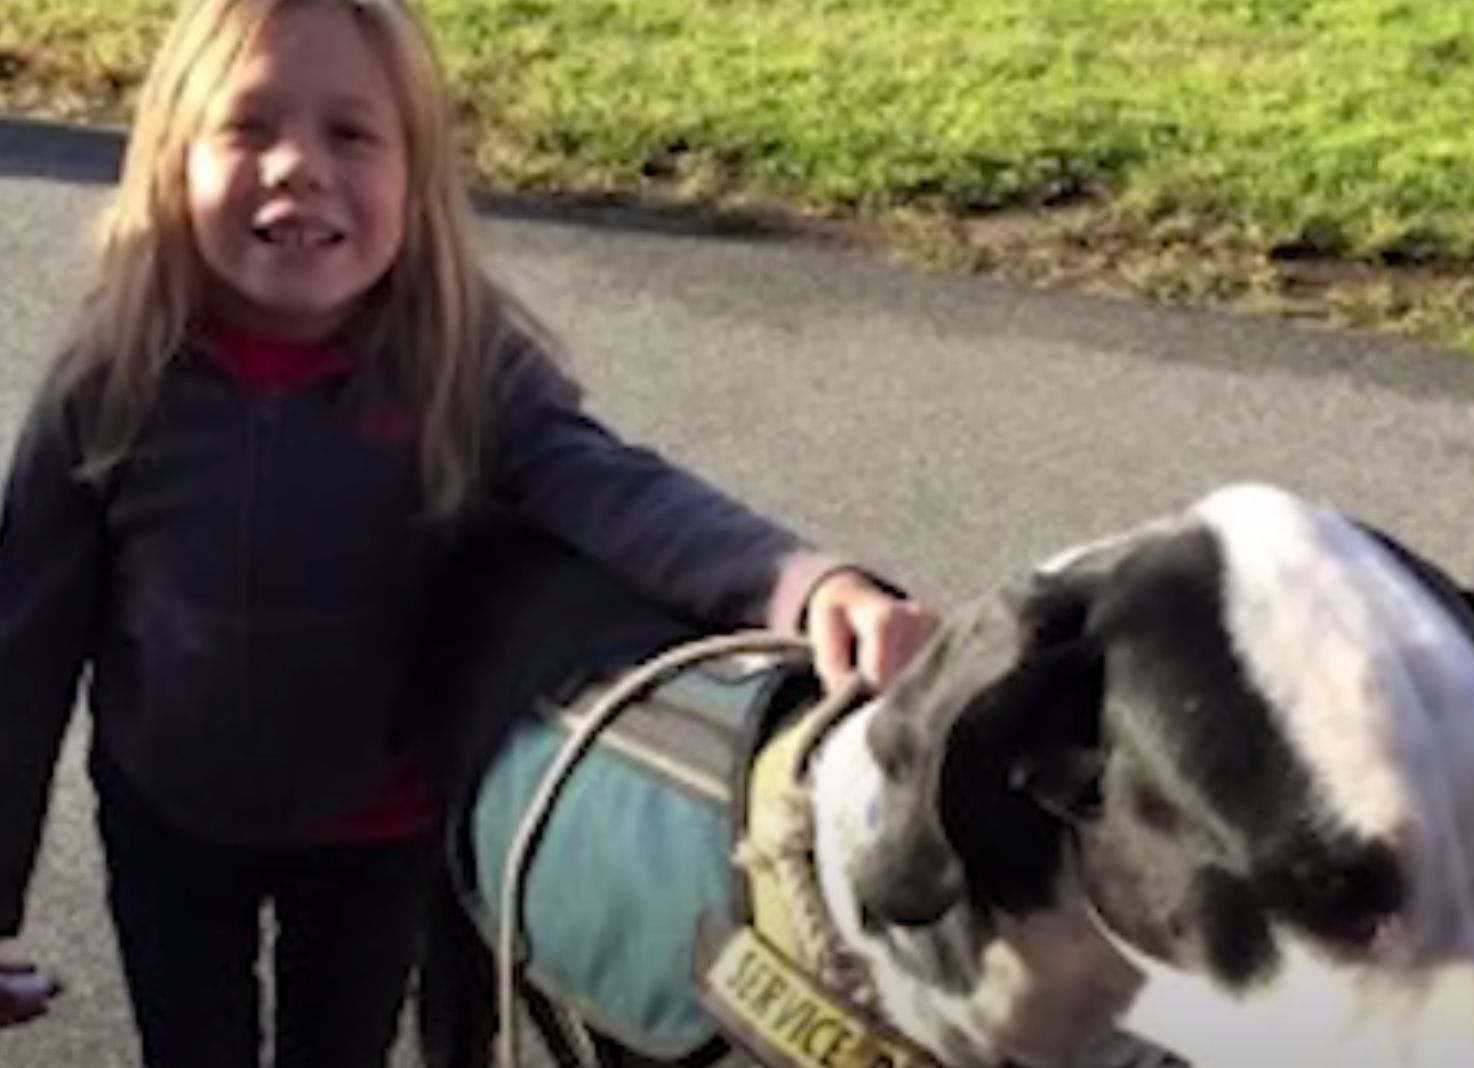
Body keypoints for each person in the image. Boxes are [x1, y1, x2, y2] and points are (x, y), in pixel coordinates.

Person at [0, 0, 938, 1065]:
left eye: (350, 133)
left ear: (416, 174)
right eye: (249, 126)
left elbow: (622, 494)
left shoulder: (459, 365)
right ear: (169, 159)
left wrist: (807, 585)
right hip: (170, 823)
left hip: (375, 830)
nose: (297, 164)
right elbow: (18, 654)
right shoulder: (111, 382)